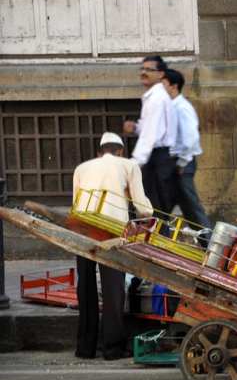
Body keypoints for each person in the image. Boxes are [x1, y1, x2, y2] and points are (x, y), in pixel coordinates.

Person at [72, 132, 153, 360]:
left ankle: (85, 348)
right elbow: (142, 208)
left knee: (86, 286)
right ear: (121, 151)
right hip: (111, 229)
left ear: (99, 153)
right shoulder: (129, 166)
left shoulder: (82, 168)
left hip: (82, 226)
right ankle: (112, 348)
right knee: (113, 288)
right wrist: (148, 214)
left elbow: (76, 201)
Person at [123, 55, 178, 216]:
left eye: (149, 69)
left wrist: (135, 163)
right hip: (157, 155)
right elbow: (149, 127)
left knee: (154, 204)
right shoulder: (152, 97)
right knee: (154, 203)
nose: (144, 72)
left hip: (158, 155)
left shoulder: (157, 99)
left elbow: (150, 135)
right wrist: (136, 127)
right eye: (142, 68)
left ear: (161, 74)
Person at [163, 68, 212, 230]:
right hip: (173, 163)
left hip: (181, 163)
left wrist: (181, 163)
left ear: (174, 86)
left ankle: (208, 240)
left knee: (191, 207)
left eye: (163, 84)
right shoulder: (170, 107)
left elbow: (190, 138)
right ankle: (155, 236)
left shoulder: (182, 108)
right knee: (163, 205)